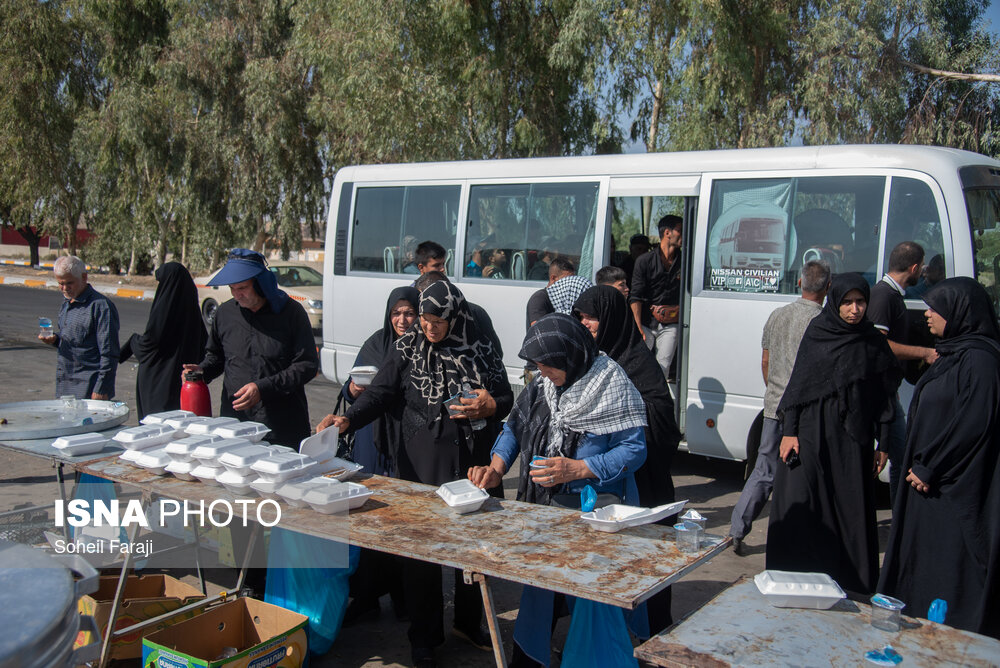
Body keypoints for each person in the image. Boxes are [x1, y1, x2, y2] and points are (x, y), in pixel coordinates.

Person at [319, 280, 512, 668]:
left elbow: (505, 397)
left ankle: (468, 623)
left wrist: (491, 406)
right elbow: (380, 393)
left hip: (472, 465)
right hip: (421, 467)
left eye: (437, 320)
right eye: (424, 319)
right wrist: (347, 420)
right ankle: (423, 639)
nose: (429, 327)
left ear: (454, 315)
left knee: (472, 551)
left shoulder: (481, 346)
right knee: (422, 556)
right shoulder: (405, 348)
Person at [468, 313, 648, 667]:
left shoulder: (611, 385)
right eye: (538, 366)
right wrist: (495, 469)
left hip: (596, 513)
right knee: (539, 588)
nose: (543, 373)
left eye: (549, 366)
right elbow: (514, 427)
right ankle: (530, 657)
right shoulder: (543, 385)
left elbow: (635, 449)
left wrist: (580, 468)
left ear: (572, 355)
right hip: (548, 509)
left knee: (593, 595)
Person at [877, 277, 1000, 639]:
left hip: (953, 487)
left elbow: (974, 423)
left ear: (959, 313)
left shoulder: (981, 361)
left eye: (936, 309)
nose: (928, 315)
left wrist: (932, 464)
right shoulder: (955, 352)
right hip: (928, 482)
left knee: (950, 560)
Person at [766, 273, 900, 595]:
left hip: (853, 437)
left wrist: (884, 440)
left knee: (850, 504)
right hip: (813, 431)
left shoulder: (872, 341)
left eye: (860, 302)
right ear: (835, 302)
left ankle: (851, 581)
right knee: (807, 499)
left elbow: (884, 395)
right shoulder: (819, 332)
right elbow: (799, 386)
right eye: (847, 302)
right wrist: (790, 431)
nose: (854, 309)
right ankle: (799, 577)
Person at [572, 285, 680, 632]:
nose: (585, 323)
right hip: (609, 487)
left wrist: (619, 426)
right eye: (580, 317)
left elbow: (662, 426)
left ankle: (651, 639)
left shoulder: (638, 364)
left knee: (646, 566)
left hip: (645, 486)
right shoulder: (589, 363)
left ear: (612, 320)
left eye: (592, 316)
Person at [728, 260, 831, 556]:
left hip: (775, 406)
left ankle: (737, 530)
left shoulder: (778, 315)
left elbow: (765, 361)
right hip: (807, 411)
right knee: (809, 474)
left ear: (800, 283)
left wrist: (775, 391)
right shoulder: (823, 321)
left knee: (764, 470)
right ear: (827, 287)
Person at [338, 287, 418, 625]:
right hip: (373, 440)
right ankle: (367, 595)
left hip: (406, 442)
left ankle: (403, 596)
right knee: (369, 520)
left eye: (409, 312)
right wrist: (352, 390)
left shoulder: (424, 348)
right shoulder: (375, 342)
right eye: (397, 313)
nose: (402, 319)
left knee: (401, 522)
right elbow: (351, 386)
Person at [183, 249, 318, 447]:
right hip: (235, 424)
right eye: (232, 288)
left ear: (261, 284)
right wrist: (202, 371)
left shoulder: (292, 313)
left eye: (243, 288)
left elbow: (307, 365)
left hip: (281, 426)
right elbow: (216, 357)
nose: (237, 294)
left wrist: (263, 388)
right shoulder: (225, 314)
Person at [868, 241, 938, 504]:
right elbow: (879, 343)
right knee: (899, 454)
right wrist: (924, 353)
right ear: (915, 267)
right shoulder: (884, 296)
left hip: (887, 392)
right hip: (878, 394)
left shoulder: (893, 295)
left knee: (898, 453)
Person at [119, 262, 206, 420]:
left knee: (155, 430)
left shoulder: (165, 310)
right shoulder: (192, 311)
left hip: (157, 382)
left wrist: (132, 342)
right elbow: (203, 347)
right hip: (183, 383)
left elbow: (149, 343)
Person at [39, 255, 120, 400]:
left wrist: (102, 388)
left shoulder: (100, 307)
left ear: (84, 277)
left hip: (90, 388)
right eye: (60, 283)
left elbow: (109, 352)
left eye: (69, 283)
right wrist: (55, 340)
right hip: (65, 385)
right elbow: (77, 342)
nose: (64, 288)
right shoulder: (67, 303)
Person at [630, 215, 683, 378]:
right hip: (646, 322)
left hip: (671, 324)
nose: (683, 235)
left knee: (663, 368)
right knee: (638, 365)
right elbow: (635, 295)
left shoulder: (685, 261)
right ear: (667, 232)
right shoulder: (644, 261)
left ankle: (656, 402)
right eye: (680, 231)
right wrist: (638, 326)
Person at [415, 271, 503, 356]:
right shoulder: (411, 347)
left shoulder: (475, 313)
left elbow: (495, 352)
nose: (430, 326)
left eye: (438, 321)